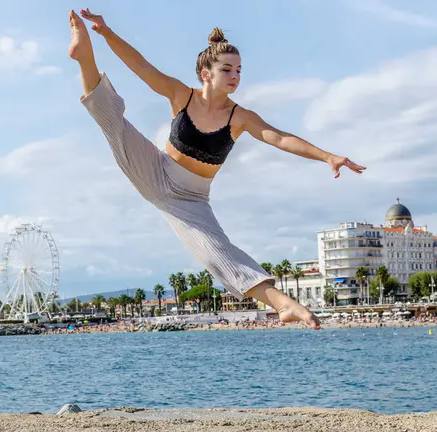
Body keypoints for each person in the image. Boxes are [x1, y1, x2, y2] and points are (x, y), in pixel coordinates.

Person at [68, 9, 366, 330]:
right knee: (112, 122)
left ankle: (284, 304)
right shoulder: (182, 95)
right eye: (227, 69)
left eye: (239, 70)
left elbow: (280, 138)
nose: (235, 75)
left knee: (216, 253)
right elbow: (141, 66)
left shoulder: (241, 117)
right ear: (205, 73)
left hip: (191, 200)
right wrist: (106, 32)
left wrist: (327, 156)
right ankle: (84, 56)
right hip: (156, 170)